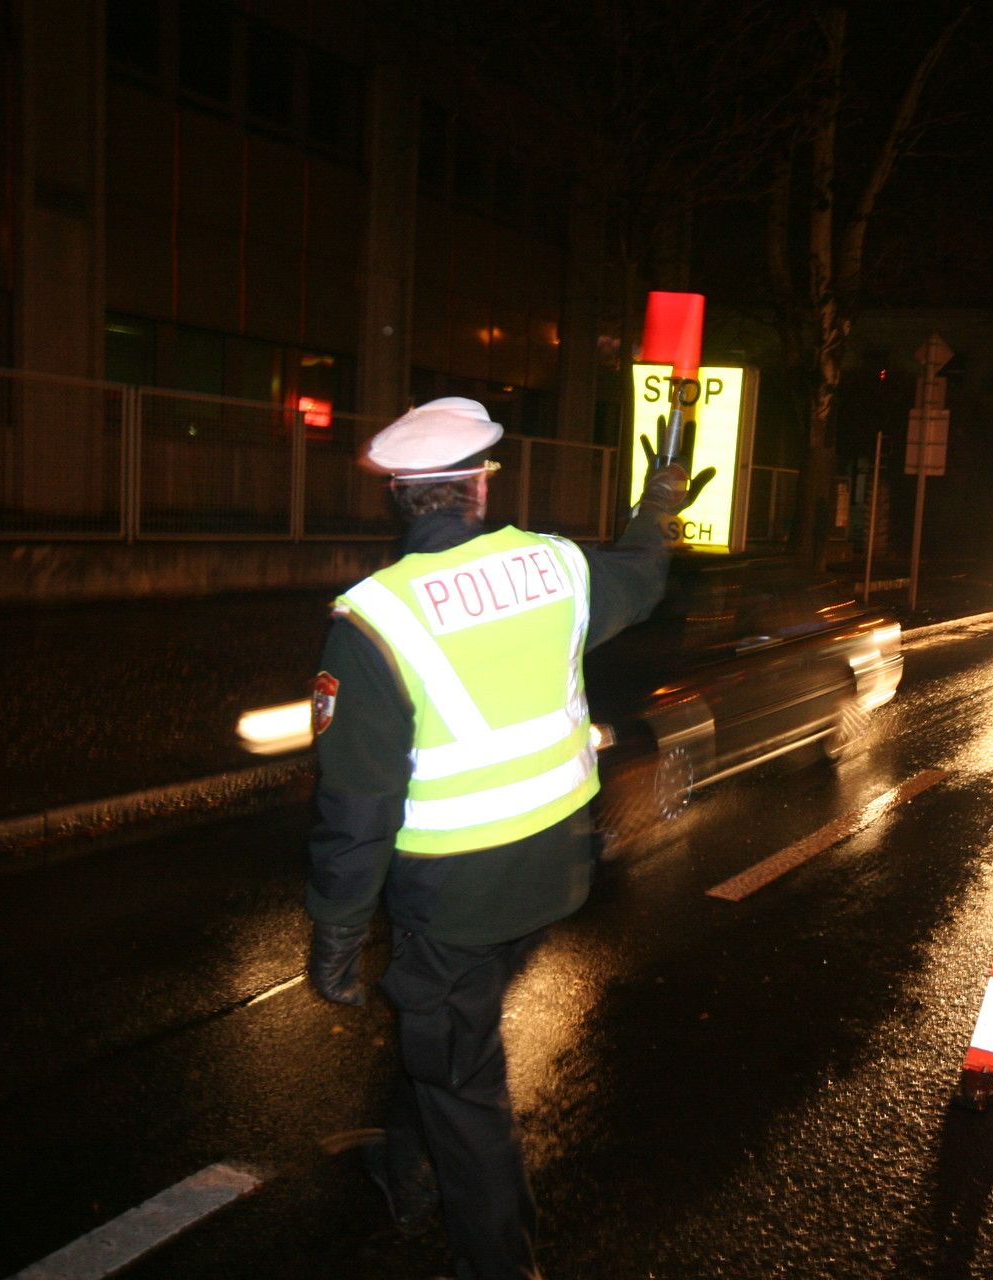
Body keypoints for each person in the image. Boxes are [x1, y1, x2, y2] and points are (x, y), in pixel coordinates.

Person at [303, 396, 711, 1279]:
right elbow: (642, 575)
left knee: (464, 1085)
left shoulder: (374, 620)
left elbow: (358, 807)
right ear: (479, 486)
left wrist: (337, 932)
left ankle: (502, 1264)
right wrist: (659, 498)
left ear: (402, 497)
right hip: (559, 872)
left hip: (455, 898)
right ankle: (406, 1168)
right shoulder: (556, 568)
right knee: (445, 1026)